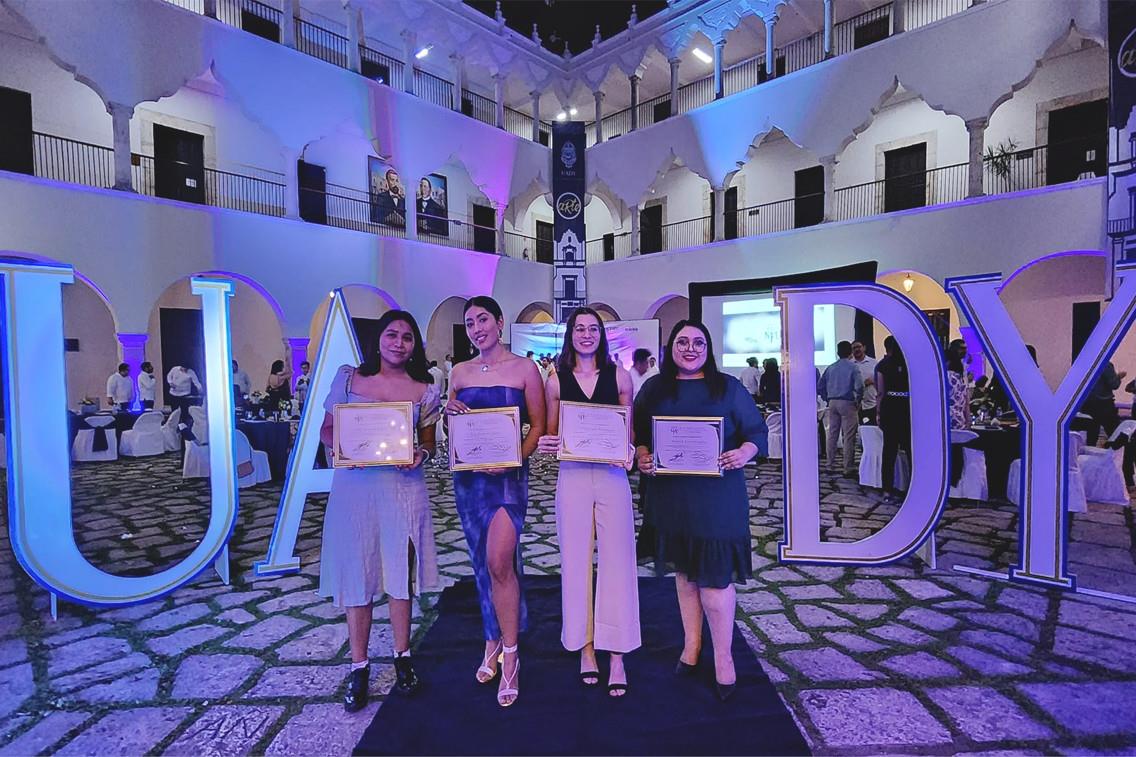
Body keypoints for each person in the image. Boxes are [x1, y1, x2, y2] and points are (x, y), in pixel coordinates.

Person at [634, 320, 767, 702]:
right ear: (670, 347)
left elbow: (756, 433)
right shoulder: (655, 388)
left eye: (697, 342)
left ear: (708, 347)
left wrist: (744, 452)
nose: (689, 348)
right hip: (671, 498)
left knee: (714, 583)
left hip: (717, 499)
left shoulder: (728, 387)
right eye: (681, 342)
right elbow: (640, 433)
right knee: (684, 575)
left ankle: (723, 658)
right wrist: (643, 454)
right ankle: (691, 647)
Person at [318, 310, 442, 709]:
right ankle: (359, 665)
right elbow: (327, 427)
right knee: (359, 572)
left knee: (399, 573)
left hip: (402, 489)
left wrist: (420, 453)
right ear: (378, 339)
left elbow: (429, 442)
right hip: (356, 490)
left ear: (415, 345)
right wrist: (340, 447)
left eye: (407, 337)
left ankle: (402, 657)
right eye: (392, 335)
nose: (399, 343)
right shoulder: (350, 378)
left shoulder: (423, 387)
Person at [445, 296, 545, 708]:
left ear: (500, 322)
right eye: (469, 323)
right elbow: (454, 427)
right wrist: (448, 414)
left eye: (483, 319)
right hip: (469, 480)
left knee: (500, 561)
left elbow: (538, 426)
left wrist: (514, 459)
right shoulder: (459, 371)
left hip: (508, 480)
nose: (476, 328)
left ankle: (511, 654)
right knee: (480, 561)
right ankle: (491, 640)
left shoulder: (525, 368)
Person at [537, 307, 639, 697]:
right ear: (570, 335)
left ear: (602, 334)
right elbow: (550, 433)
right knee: (576, 560)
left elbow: (627, 432)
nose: (585, 335)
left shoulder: (620, 376)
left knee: (618, 560)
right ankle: (585, 646)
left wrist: (628, 450)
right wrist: (546, 443)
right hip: (573, 476)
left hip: (612, 475)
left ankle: (617, 653)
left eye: (592, 329)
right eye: (579, 329)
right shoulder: (556, 380)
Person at [819, 341, 862, 476]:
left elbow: (820, 386)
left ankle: (829, 465)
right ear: (850, 352)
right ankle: (847, 468)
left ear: (837, 352)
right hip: (848, 403)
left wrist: (827, 398)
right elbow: (860, 386)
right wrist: (858, 400)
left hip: (832, 403)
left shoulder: (830, 368)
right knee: (848, 437)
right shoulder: (853, 367)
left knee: (832, 435)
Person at [876, 336, 910, 505]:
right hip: (907, 408)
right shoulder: (910, 363)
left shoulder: (882, 365)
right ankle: (912, 487)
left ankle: (887, 489)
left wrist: (878, 412)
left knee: (889, 451)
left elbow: (880, 392)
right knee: (911, 451)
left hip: (890, 407)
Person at [1082, 360, 1126, 446]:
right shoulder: (1105, 364)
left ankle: (1090, 453)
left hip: (1087, 404)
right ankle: (1115, 454)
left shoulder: (1084, 363)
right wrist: (1119, 377)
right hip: (1104, 405)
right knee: (1115, 433)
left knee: (1091, 434)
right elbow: (1114, 384)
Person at [167, 364, 202, 436]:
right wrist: (170, 383)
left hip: (185, 395)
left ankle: (183, 429)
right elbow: (169, 376)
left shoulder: (191, 372)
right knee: (175, 413)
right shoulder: (175, 369)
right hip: (174, 394)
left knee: (184, 412)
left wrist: (200, 390)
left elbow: (196, 382)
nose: (185, 370)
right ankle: (173, 428)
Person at [946, 339, 971, 430]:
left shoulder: (962, 372)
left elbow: (966, 400)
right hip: (946, 420)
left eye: (965, 348)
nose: (964, 351)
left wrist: (968, 422)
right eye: (961, 348)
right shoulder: (946, 371)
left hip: (960, 422)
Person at [851, 341, 877, 424]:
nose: (857, 349)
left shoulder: (874, 363)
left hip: (872, 403)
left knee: (872, 429)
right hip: (854, 405)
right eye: (854, 348)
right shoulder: (850, 364)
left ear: (864, 348)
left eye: (859, 347)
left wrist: (873, 380)